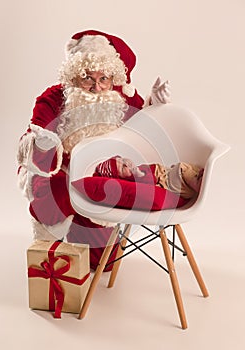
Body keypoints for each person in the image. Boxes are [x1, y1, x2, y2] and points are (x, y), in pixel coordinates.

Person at [17, 29, 170, 271]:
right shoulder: (53, 98)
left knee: (101, 264)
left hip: (102, 181)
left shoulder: (121, 97)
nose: (96, 88)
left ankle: (86, 234)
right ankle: (48, 247)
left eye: (104, 79)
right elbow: (30, 140)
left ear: (113, 78)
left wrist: (156, 105)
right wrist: (42, 143)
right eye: (87, 78)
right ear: (75, 76)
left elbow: (143, 127)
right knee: (52, 194)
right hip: (61, 178)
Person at [94, 156, 204, 199]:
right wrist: (138, 174)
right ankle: (195, 183)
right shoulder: (134, 180)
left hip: (171, 176)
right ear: (122, 178)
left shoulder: (139, 168)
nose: (127, 164)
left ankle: (196, 177)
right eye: (123, 168)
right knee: (181, 167)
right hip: (170, 185)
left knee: (187, 167)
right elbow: (152, 182)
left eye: (123, 160)